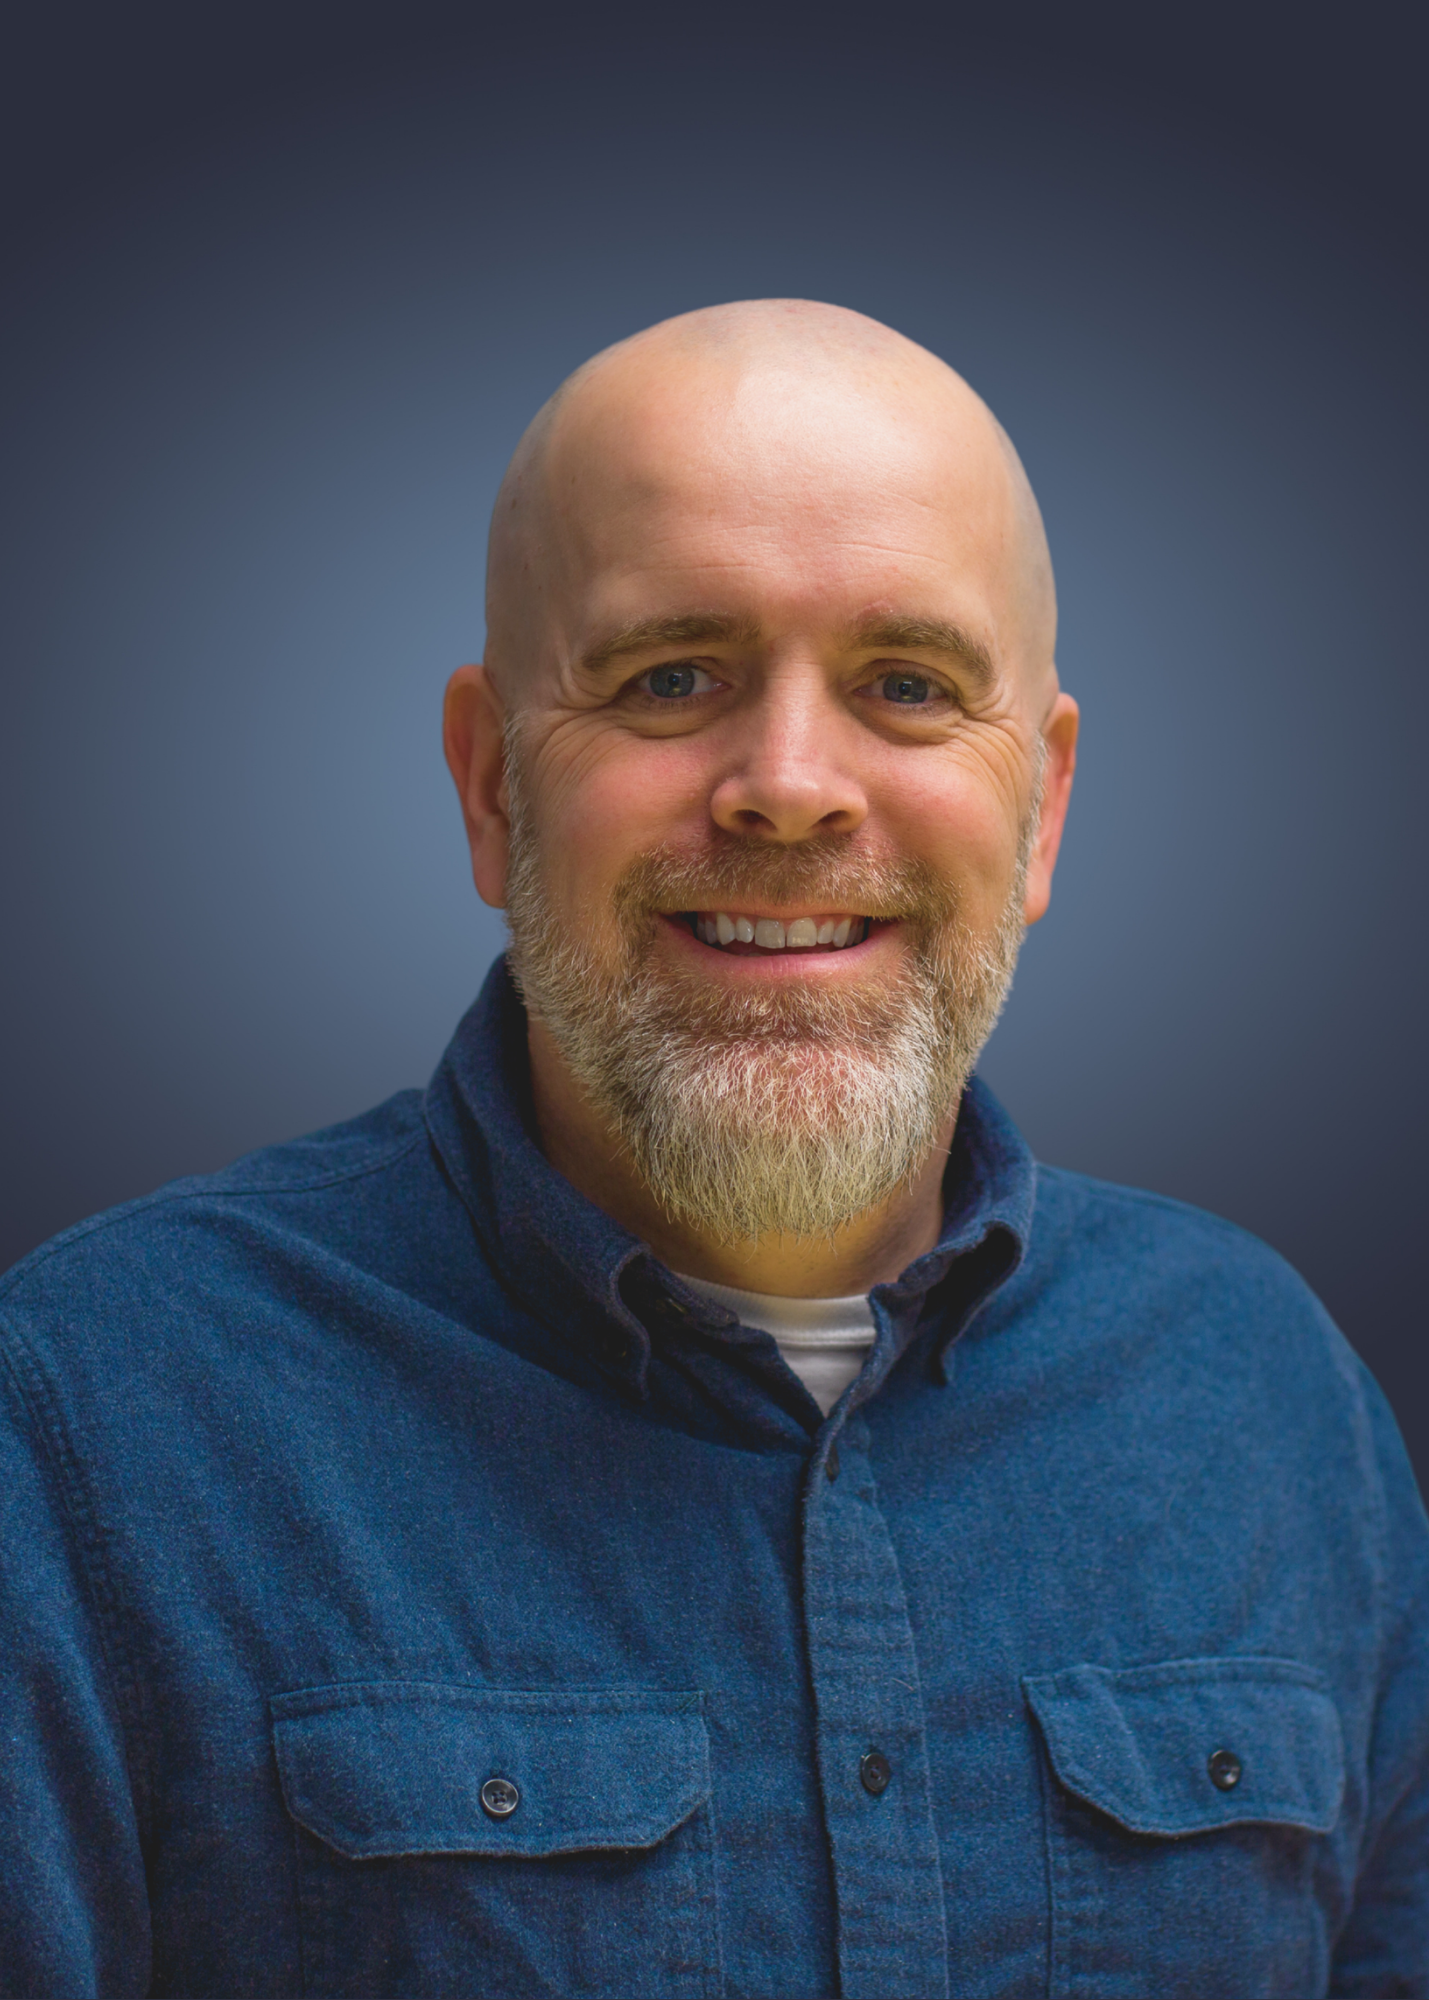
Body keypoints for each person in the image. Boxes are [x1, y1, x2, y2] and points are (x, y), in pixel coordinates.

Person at [0, 300, 1424, 2000]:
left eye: (909, 685)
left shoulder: (1273, 1399)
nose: (791, 787)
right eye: (672, 675)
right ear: (490, 789)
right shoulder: (93, 1418)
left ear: (1040, 812)